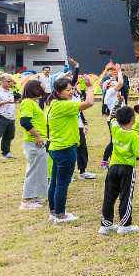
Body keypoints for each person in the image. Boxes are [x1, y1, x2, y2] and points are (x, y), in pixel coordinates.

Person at [98, 105, 139, 235]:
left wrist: (117, 105)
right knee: (126, 196)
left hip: (112, 168)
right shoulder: (134, 136)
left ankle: (106, 225)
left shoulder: (115, 128)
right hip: (127, 169)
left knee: (109, 196)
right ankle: (125, 225)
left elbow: (111, 117)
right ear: (132, 119)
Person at [47, 75, 95, 223]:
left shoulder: (55, 103)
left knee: (55, 182)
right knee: (62, 183)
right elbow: (89, 102)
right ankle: (61, 214)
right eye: (68, 90)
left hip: (57, 148)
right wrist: (89, 86)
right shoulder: (64, 105)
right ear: (59, 92)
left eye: (72, 89)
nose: (71, 92)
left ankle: (54, 211)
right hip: (65, 149)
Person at [18, 79, 47, 209]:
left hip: (38, 141)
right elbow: (24, 121)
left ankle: (34, 196)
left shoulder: (33, 102)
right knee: (33, 170)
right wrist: (37, 136)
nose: (43, 89)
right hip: (34, 142)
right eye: (41, 87)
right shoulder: (27, 102)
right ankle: (27, 200)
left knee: (38, 170)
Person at [100, 67, 125, 168]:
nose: (114, 82)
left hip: (120, 119)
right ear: (108, 85)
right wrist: (119, 71)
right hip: (114, 119)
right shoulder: (110, 92)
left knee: (119, 140)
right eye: (112, 81)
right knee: (113, 141)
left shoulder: (116, 94)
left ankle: (115, 159)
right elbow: (120, 83)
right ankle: (104, 161)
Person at [0, 75, 17, 160]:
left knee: (9, 135)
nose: (10, 83)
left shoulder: (11, 91)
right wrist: (5, 102)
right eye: (8, 81)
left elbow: (16, 85)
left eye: (10, 81)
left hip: (11, 117)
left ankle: (6, 152)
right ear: (1, 81)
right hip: (1, 116)